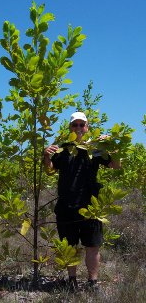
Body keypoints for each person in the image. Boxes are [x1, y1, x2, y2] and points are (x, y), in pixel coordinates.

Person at [43, 111, 120, 290]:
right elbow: (50, 170)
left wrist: (112, 146)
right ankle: (72, 281)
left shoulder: (95, 149)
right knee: (69, 246)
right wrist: (46, 155)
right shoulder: (62, 148)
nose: (78, 128)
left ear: (87, 127)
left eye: (81, 124)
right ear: (70, 127)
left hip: (91, 207)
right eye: (74, 124)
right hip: (66, 207)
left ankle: (93, 282)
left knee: (92, 246)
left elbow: (116, 165)